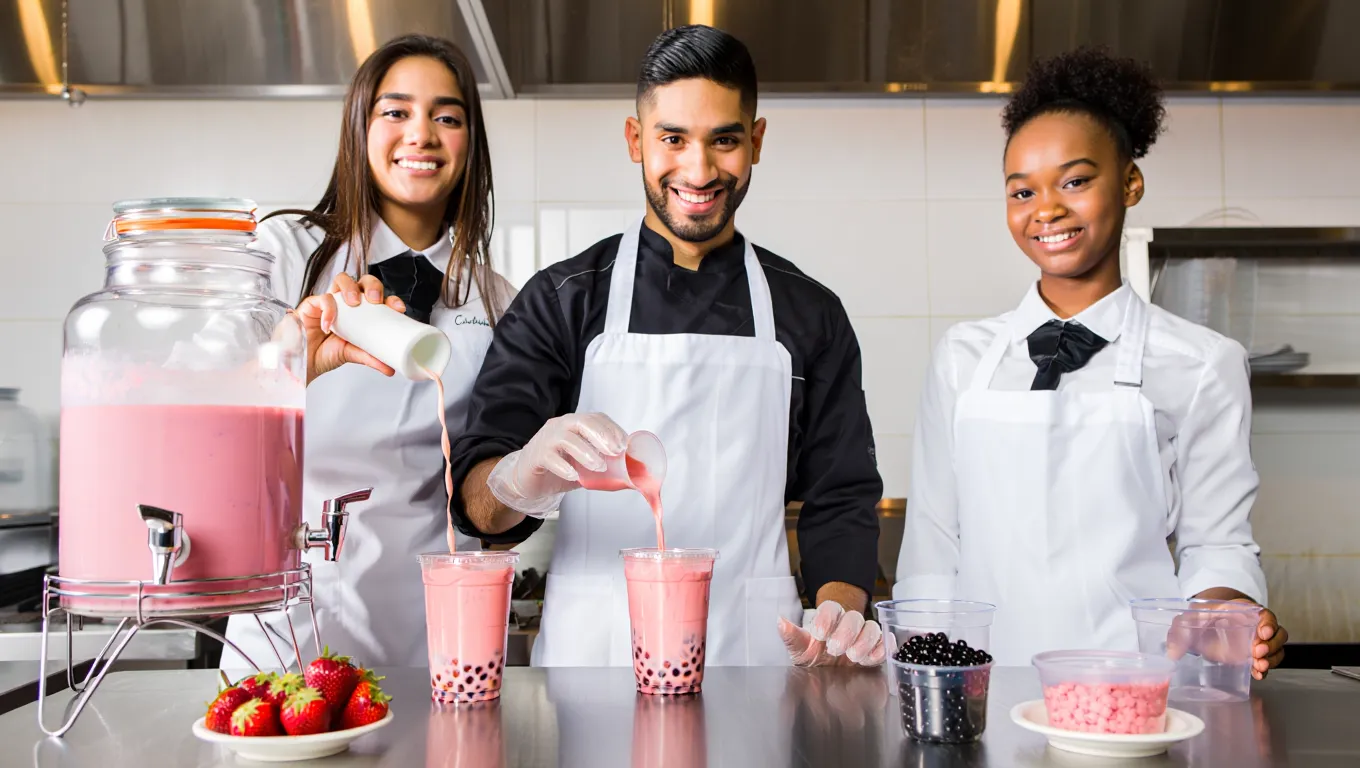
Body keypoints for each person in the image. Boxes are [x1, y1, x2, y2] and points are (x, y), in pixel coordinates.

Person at [446, 25, 885, 668]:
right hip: (593, 666)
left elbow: (840, 499)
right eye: (673, 139)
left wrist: (839, 620)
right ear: (635, 141)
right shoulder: (561, 300)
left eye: (725, 140)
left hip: (756, 661)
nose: (699, 170)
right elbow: (480, 507)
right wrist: (522, 475)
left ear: (755, 143)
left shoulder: (811, 314)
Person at [895, 48, 1287, 677]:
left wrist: (1223, 610)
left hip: (1137, 690)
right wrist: (923, 689)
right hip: (984, 695)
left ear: (1130, 182)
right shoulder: (962, 359)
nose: (1045, 208)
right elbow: (933, 549)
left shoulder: (1204, 363)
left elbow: (1215, 543)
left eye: (1075, 181)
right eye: (1022, 190)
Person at [223, 34, 514, 669]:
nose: (422, 135)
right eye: (396, 111)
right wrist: (295, 361)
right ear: (360, 126)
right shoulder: (283, 256)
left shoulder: (498, 304)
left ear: (471, 143)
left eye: (447, 116)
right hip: (286, 630)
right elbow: (211, 425)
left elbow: (487, 480)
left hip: (431, 640)